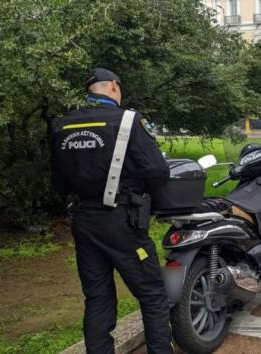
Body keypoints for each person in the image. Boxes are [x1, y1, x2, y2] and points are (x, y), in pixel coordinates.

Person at [51, 68, 173, 354]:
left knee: (97, 298)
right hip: (123, 222)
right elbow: (157, 171)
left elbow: (58, 183)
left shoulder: (62, 124)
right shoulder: (128, 121)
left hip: (83, 221)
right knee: (152, 294)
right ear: (114, 88)